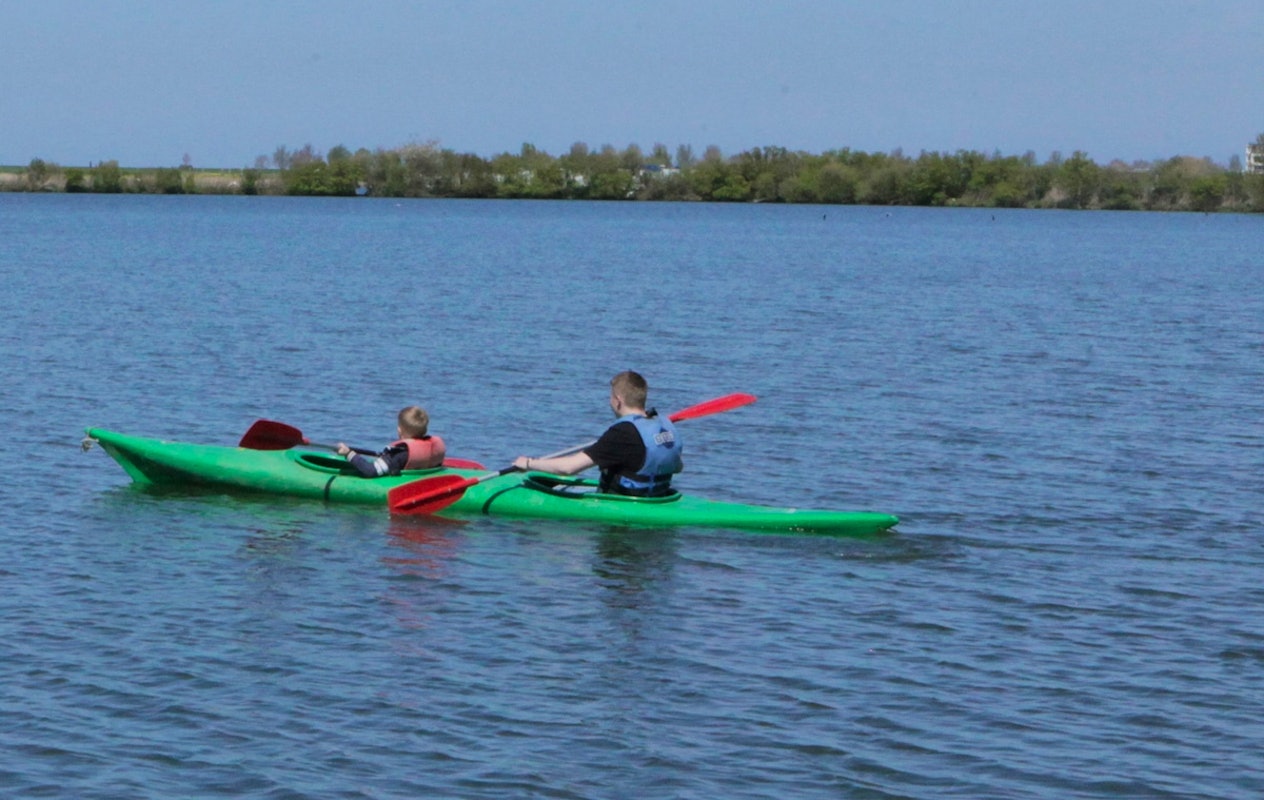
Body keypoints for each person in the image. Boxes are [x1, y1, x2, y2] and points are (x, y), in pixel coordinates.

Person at [512, 371, 683, 496]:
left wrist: (528, 463)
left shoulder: (622, 433)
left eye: (610, 397)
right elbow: (677, 466)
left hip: (622, 501)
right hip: (658, 497)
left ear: (618, 401)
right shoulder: (663, 424)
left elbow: (568, 468)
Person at [336, 406, 446, 478]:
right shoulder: (433, 447)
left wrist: (348, 454)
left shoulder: (398, 455)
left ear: (400, 430)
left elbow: (370, 471)